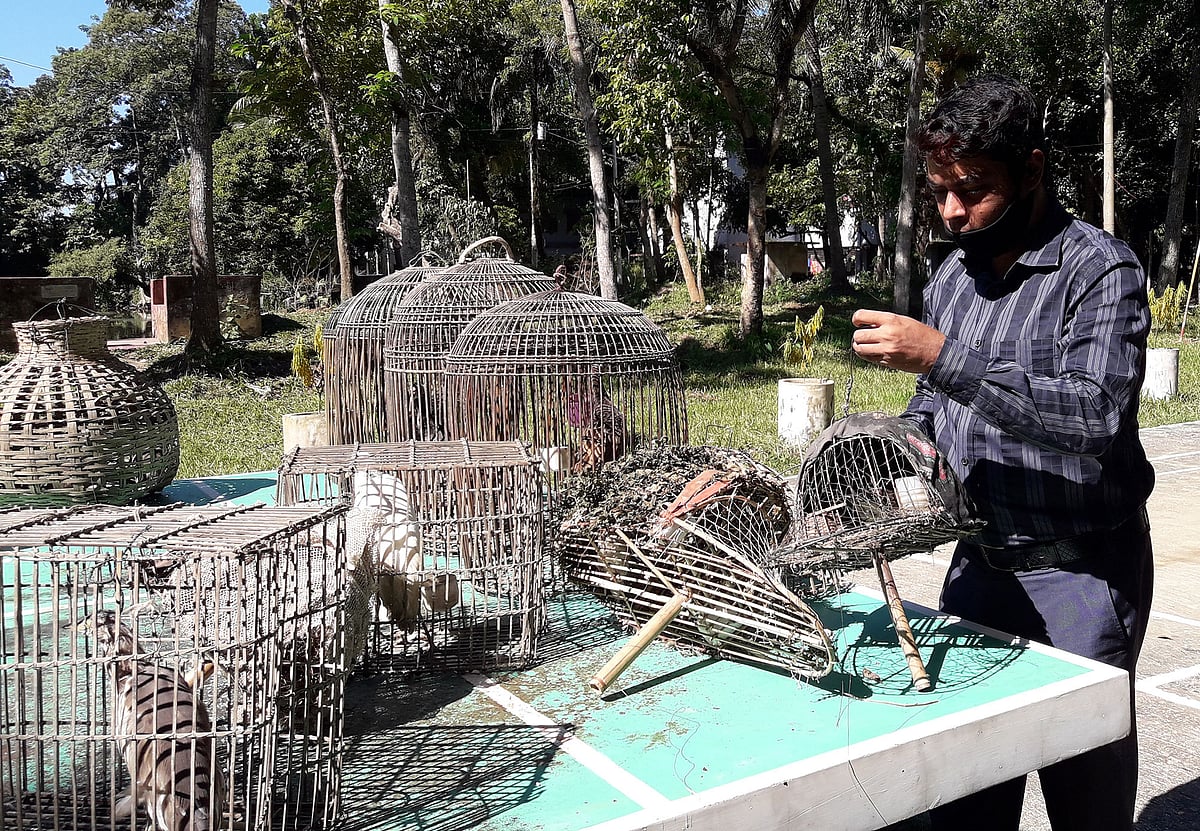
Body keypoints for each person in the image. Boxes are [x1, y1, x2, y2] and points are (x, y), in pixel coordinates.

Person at [851, 74, 1155, 831]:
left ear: (1032, 169)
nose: (954, 212)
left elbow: (1093, 416)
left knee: (1086, 796)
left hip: (1081, 574)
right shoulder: (953, 276)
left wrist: (942, 356)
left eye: (975, 189)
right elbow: (933, 408)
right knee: (966, 794)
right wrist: (880, 455)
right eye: (940, 193)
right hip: (979, 565)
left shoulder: (1100, 270)